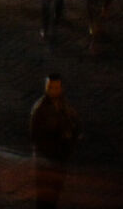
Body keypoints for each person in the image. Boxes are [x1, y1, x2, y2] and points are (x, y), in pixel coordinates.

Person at [30, 74, 80, 209]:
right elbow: (35, 136)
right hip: (46, 159)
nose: (54, 90)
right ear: (46, 88)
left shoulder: (65, 106)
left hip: (59, 157)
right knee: (44, 197)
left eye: (56, 87)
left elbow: (73, 124)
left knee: (55, 193)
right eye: (51, 87)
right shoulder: (40, 109)